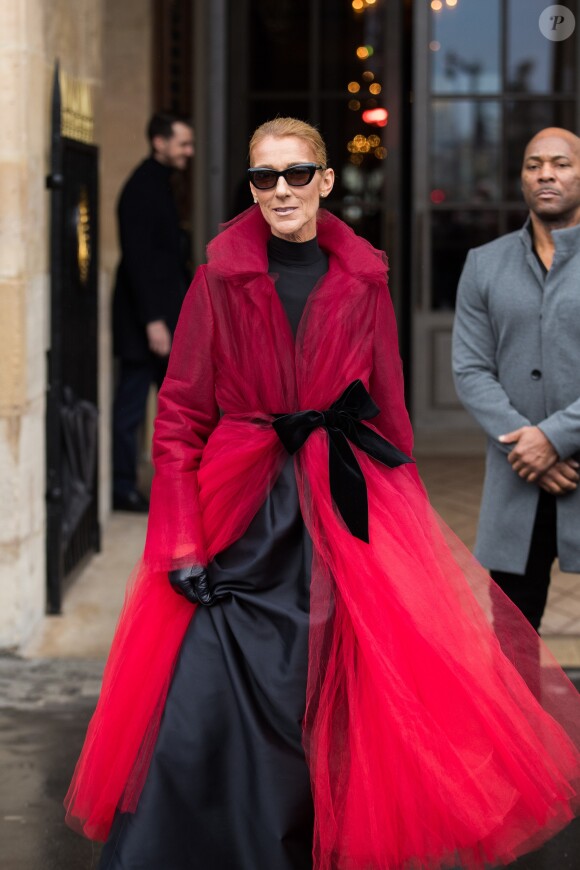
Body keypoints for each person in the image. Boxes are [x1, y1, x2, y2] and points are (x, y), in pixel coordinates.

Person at [66, 118, 580, 870]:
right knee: (203, 699)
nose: (281, 190)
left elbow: (391, 412)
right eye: (264, 177)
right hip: (238, 512)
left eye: (297, 173)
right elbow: (178, 417)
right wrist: (177, 541)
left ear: (327, 181)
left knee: (334, 708)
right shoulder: (217, 276)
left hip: (339, 510)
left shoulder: (365, 277)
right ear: (250, 186)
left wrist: (407, 545)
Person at [453, 127, 580, 633]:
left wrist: (552, 438)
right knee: (511, 638)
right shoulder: (484, 264)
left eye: (561, 163)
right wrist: (527, 446)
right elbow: (469, 369)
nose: (545, 173)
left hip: (568, 465)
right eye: (533, 164)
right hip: (517, 478)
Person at [112, 111, 194, 512]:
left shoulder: (159, 184)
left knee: (173, 406)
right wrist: (154, 321)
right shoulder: (142, 188)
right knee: (131, 408)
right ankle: (122, 487)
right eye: (183, 143)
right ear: (159, 142)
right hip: (145, 323)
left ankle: (173, 483)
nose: (189, 152)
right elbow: (140, 261)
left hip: (159, 318)